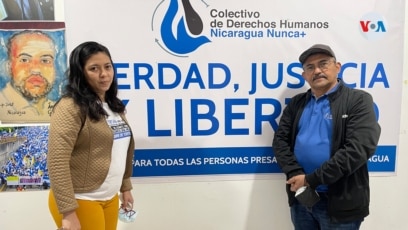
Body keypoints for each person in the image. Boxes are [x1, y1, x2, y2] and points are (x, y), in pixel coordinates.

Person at [272, 44, 381, 230]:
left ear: (337, 67)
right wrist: (295, 174)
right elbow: (280, 141)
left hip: (341, 203)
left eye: (323, 64)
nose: (317, 71)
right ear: (304, 75)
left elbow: (358, 149)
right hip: (302, 197)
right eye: (310, 67)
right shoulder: (297, 104)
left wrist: (310, 179)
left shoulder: (358, 100)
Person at [47, 41, 135, 230]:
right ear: (81, 73)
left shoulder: (114, 105)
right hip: (80, 199)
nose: (104, 74)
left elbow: (119, 150)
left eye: (107, 67)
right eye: (94, 68)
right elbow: (57, 160)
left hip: (109, 198)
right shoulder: (70, 107)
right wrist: (68, 212)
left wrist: (125, 186)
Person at [0, 30, 59, 121]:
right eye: (24, 60)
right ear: (9, 66)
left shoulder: (60, 109)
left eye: (45, 61)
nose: (36, 70)